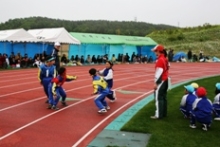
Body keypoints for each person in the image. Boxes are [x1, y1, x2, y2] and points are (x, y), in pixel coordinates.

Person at [151, 44, 169, 119]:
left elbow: (159, 72)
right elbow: (168, 67)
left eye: (155, 51)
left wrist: (155, 82)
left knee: (158, 98)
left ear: (158, 51)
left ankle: (158, 114)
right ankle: (163, 113)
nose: (155, 53)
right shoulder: (164, 58)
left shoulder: (160, 60)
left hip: (161, 81)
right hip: (165, 80)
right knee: (163, 97)